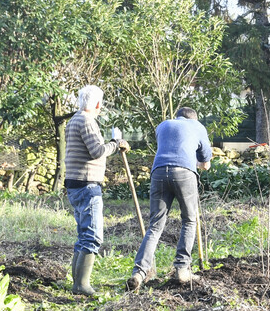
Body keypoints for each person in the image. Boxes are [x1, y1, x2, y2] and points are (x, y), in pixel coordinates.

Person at [126, 107, 213, 290]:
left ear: (178, 117)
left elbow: (169, 147)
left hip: (158, 172)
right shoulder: (198, 127)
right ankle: (182, 268)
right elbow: (205, 162)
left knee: (155, 225)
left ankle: (139, 272)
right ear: (194, 119)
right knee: (189, 220)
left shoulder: (163, 125)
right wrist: (199, 163)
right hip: (184, 173)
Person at [64, 85, 129, 296]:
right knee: (93, 236)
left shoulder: (74, 119)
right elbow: (97, 152)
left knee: (83, 233)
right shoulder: (87, 121)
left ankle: (77, 283)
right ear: (98, 104)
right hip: (87, 183)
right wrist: (116, 143)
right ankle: (82, 285)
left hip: (75, 182)